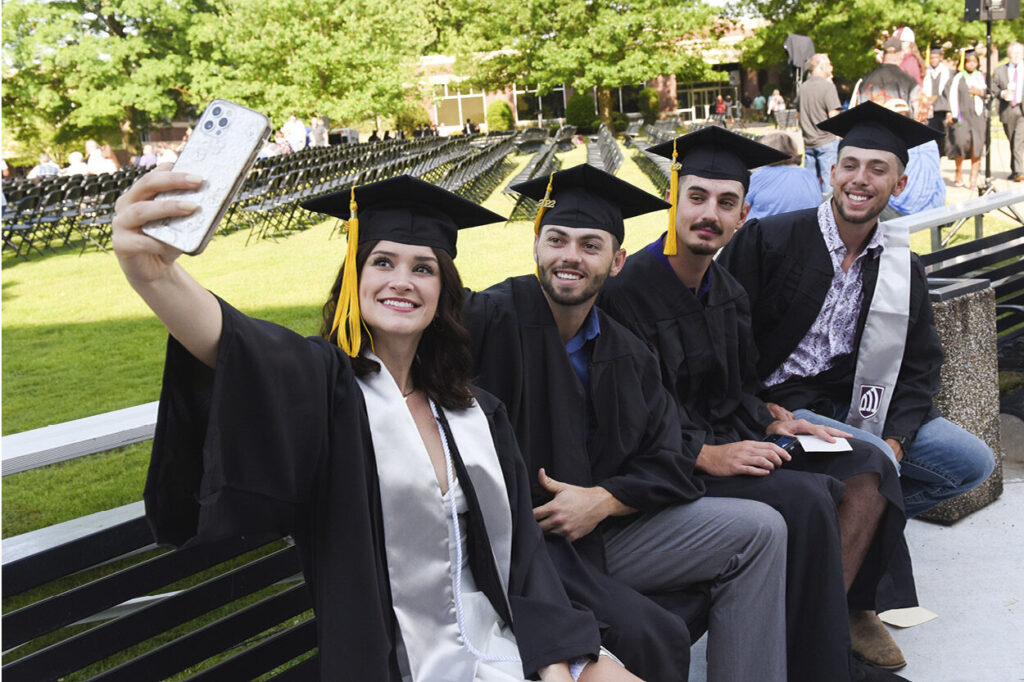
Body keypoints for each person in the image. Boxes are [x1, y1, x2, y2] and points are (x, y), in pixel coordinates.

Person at [113, 172, 639, 682]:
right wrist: (153, 274)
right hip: (398, 661)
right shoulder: (329, 393)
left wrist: (552, 660)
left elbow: (523, 555)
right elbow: (237, 344)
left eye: (423, 268)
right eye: (382, 262)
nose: (402, 282)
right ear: (355, 279)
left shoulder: (474, 411)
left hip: (506, 637)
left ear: (443, 291)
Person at [600, 126, 913, 681]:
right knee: (808, 496)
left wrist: (777, 418)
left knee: (865, 463)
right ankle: (819, 665)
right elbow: (628, 418)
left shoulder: (725, 291)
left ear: (742, 217)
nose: (709, 215)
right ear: (675, 200)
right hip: (668, 466)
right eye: (696, 198)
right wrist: (708, 456)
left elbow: (737, 388)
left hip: (730, 438)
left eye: (726, 204)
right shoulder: (627, 293)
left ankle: (835, 627)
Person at [464, 165, 788, 682]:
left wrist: (603, 500)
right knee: (652, 629)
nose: (571, 256)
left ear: (616, 263)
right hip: (520, 547)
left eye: (590, 245)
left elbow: (670, 456)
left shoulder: (627, 352)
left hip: (599, 533)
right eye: (557, 240)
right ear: (536, 247)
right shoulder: (489, 318)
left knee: (762, 530)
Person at [717, 102, 995, 666]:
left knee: (971, 462)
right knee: (869, 467)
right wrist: (757, 406)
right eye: (850, 164)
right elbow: (722, 341)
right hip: (774, 406)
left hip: (858, 404)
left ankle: (847, 542)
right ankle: (840, 606)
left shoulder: (899, 264)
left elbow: (921, 366)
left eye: (877, 168)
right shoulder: (771, 241)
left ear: (900, 180)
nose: (860, 179)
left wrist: (896, 435)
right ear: (831, 171)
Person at [745, 131, 822, 220]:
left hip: (764, 230)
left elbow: (741, 206)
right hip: (804, 229)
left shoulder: (760, 176)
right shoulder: (809, 175)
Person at [798, 53, 843, 188]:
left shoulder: (802, 88)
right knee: (829, 185)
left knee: (810, 186)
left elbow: (798, 115)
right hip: (827, 141)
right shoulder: (828, 87)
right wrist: (839, 135)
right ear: (822, 66)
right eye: (829, 63)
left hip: (808, 142)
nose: (832, 66)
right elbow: (833, 115)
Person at [948, 50, 987, 189]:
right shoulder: (958, 77)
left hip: (977, 116)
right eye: (968, 61)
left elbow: (988, 94)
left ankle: (973, 178)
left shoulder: (981, 77)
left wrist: (980, 92)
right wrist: (952, 113)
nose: (971, 64)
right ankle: (958, 172)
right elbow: (952, 96)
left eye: (974, 61)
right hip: (961, 115)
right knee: (960, 143)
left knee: (977, 145)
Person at [852, 39, 920, 114]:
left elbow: (858, 112)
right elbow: (920, 114)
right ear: (901, 54)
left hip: (872, 124)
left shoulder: (865, 80)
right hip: (899, 125)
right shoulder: (909, 81)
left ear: (883, 55)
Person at [992, 41, 1024, 182]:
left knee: (1018, 141)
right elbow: (993, 87)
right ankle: (1015, 170)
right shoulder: (1000, 71)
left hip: (1022, 110)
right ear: (1009, 55)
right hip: (1008, 109)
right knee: (1012, 141)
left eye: (1019, 53)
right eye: (1014, 53)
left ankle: (1020, 171)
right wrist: (1002, 93)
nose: (1016, 56)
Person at [923, 46, 953, 156]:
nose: (933, 60)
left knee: (941, 140)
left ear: (941, 57)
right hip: (928, 110)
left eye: (936, 57)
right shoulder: (925, 72)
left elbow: (950, 93)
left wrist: (949, 110)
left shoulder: (948, 72)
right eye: (931, 58)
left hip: (942, 109)